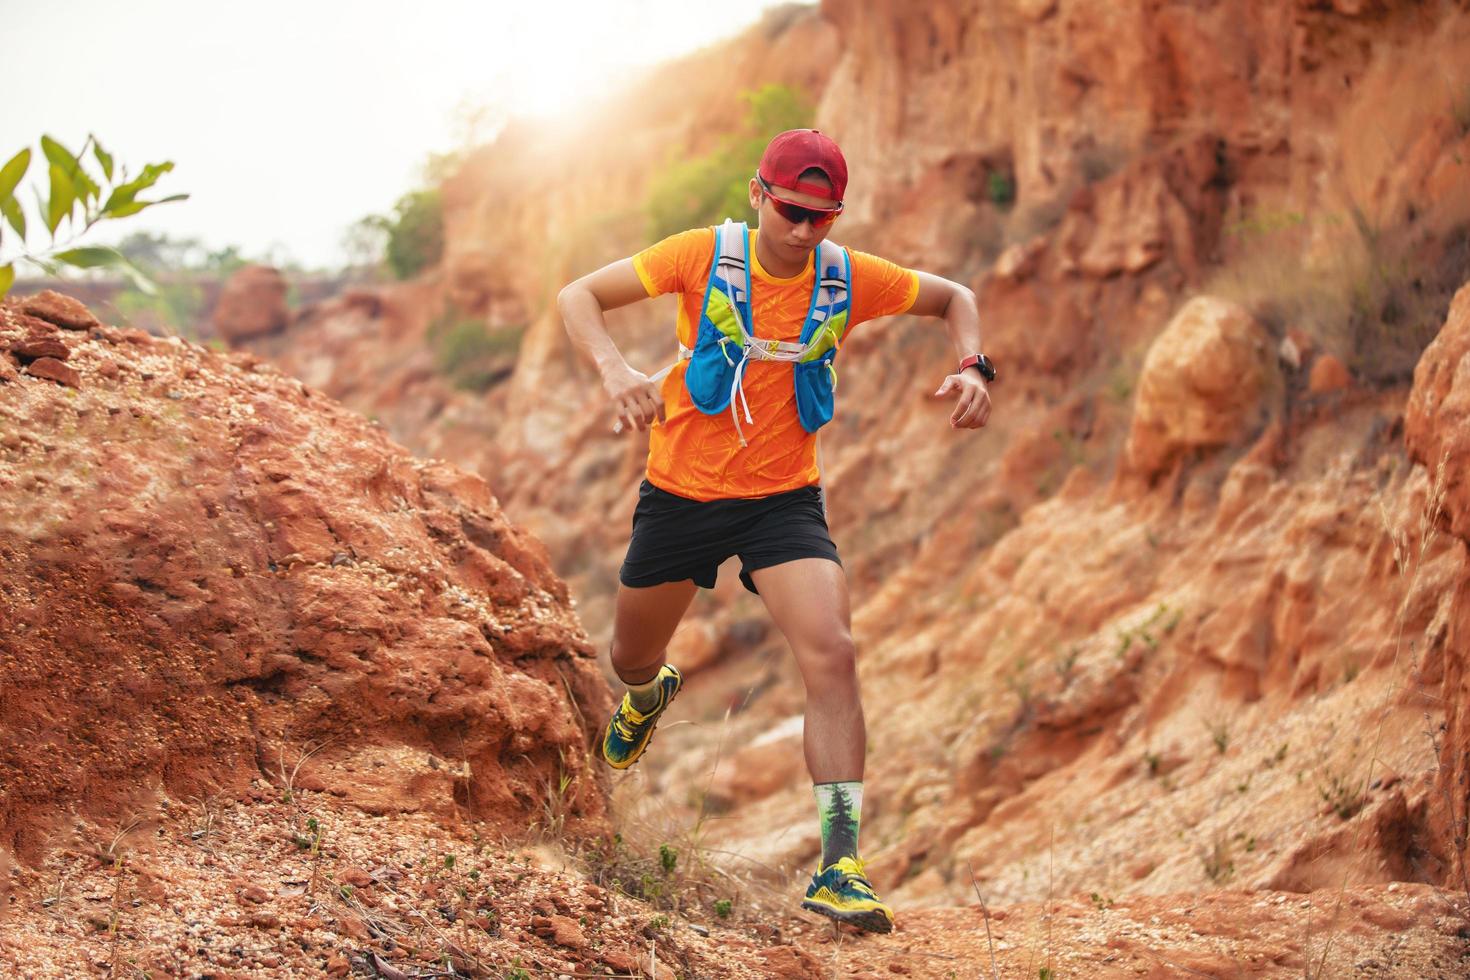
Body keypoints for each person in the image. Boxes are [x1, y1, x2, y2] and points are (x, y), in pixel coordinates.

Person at [557, 129, 994, 934]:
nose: (805, 230)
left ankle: (841, 865)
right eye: (792, 211)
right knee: (629, 657)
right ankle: (652, 694)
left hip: (783, 501)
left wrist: (972, 366)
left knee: (834, 650)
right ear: (759, 194)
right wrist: (617, 372)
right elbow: (577, 295)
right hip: (680, 493)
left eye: (823, 217)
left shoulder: (850, 275)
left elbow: (955, 297)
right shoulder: (700, 255)